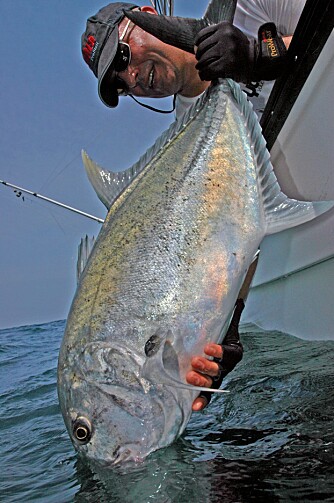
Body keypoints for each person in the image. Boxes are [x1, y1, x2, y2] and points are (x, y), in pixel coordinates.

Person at [81, 1, 305, 410]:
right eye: (120, 84)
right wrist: (229, 325)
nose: (131, 77)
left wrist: (261, 55)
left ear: (148, 14)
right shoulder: (188, 138)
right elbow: (230, 228)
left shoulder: (251, 7)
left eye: (124, 56)